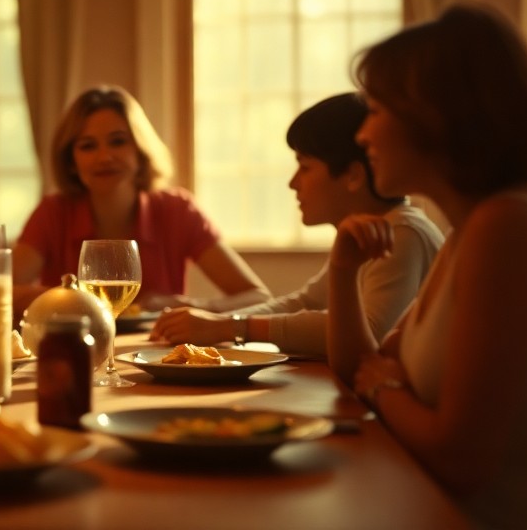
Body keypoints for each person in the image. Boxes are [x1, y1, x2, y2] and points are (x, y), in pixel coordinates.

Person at [327, 3, 527, 529]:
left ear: (435, 116)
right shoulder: (470, 230)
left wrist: (383, 389)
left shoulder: (508, 229)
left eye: (374, 111)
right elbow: (358, 369)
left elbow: (460, 460)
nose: (362, 135)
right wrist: (343, 272)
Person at [149, 93, 443, 357]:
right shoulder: (369, 231)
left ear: (353, 175)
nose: (292, 183)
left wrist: (229, 328)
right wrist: (215, 325)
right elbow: (304, 302)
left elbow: (370, 331)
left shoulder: (402, 233)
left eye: (305, 166)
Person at [13, 85, 270, 315]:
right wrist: (70, 298)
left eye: (118, 141)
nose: (104, 157)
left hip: (159, 358)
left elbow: (258, 297)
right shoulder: (53, 213)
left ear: (140, 150)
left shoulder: (177, 211)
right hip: (75, 352)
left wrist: (187, 305)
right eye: (88, 146)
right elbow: (4, 294)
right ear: (70, 162)